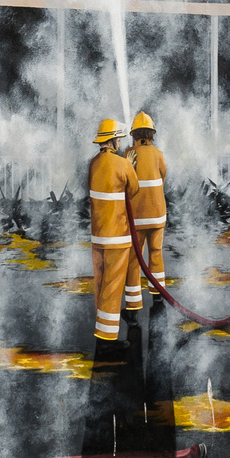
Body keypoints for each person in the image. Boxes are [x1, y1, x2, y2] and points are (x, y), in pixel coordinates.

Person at [88, 118, 139, 350]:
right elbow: (134, 188)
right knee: (112, 286)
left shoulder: (93, 163)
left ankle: (102, 330)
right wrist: (129, 165)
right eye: (118, 138)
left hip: (97, 236)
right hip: (117, 236)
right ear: (113, 140)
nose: (120, 141)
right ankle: (108, 340)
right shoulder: (122, 164)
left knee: (100, 283)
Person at [124, 111, 168, 318]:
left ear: (134, 134)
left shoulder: (128, 154)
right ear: (151, 134)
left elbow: (125, 182)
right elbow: (163, 176)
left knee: (135, 258)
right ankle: (158, 294)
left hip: (137, 217)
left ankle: (133, 304)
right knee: (156, 253)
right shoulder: (158, 154)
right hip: (157, 214)